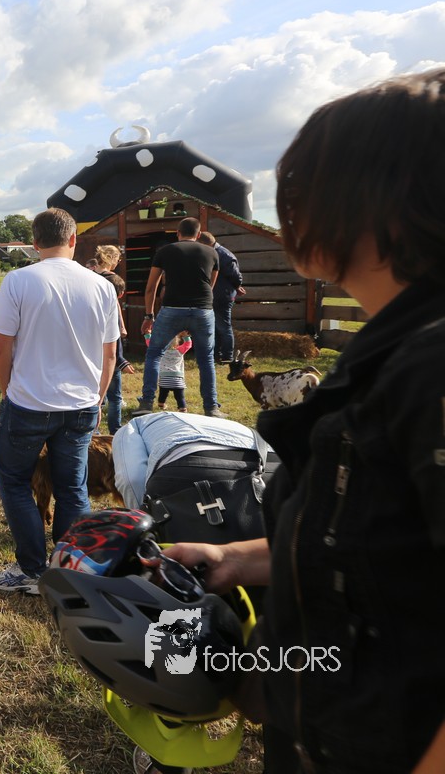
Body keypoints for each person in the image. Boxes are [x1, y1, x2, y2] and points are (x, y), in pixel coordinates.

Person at [159, 69, 445, 772]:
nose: (294, 216)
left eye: (308, 191)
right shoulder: (394, 353)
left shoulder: (432, 369)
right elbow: (385, 549)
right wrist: (240, 558)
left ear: (382, 202)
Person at [0, 209, 118, 594]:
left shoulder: (18, 280)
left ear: (34, 242)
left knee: (14, 482)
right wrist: (97, 399)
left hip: (28, 402)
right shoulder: (102, 286)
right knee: (72, 488)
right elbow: (110, 354)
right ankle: (68, 566)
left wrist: (9, 391)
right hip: (80, 405)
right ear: (74, 239)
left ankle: (31, 569)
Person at [136, 217, 223, 418]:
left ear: (178, 233)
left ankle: (147, 402)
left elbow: (151, 287)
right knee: (206, 359)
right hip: (202, 310)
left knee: (154, 354)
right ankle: (211, 407)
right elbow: (210, 285)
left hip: (172, 308)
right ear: (198, 234)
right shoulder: (212, 253)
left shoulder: (165, 251)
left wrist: (149, 315)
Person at [94, 245, 134, 434]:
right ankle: (115, 430)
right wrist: (120, 359)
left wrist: (122, 324)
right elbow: (115, 306)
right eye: (118, 259)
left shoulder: (91, 277)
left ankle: (94, 430)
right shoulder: (113, 281)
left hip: (92, 343)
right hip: (109, 345)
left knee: (95, 393)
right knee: (115, 395)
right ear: (112, 259)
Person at [198, 230, 245, 364]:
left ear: (204, 243)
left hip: (222, 295)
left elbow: (236, 276)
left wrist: (236, 286)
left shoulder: (223, 255)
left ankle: (227, 356)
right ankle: (217, 354)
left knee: (224, 326)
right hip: (217, 294)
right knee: (216, 326)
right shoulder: (216, 253)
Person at [155, 333, 191, 412]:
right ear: (177, 342)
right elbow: (188, 344)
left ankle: (161, 403)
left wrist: (147, 335)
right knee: (180, 397)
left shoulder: (161, 351)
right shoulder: (180, 351)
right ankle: (182, 408)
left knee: (163, 393)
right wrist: (186, 336)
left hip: (164, 378)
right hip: (177, 379)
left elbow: (150, 344)